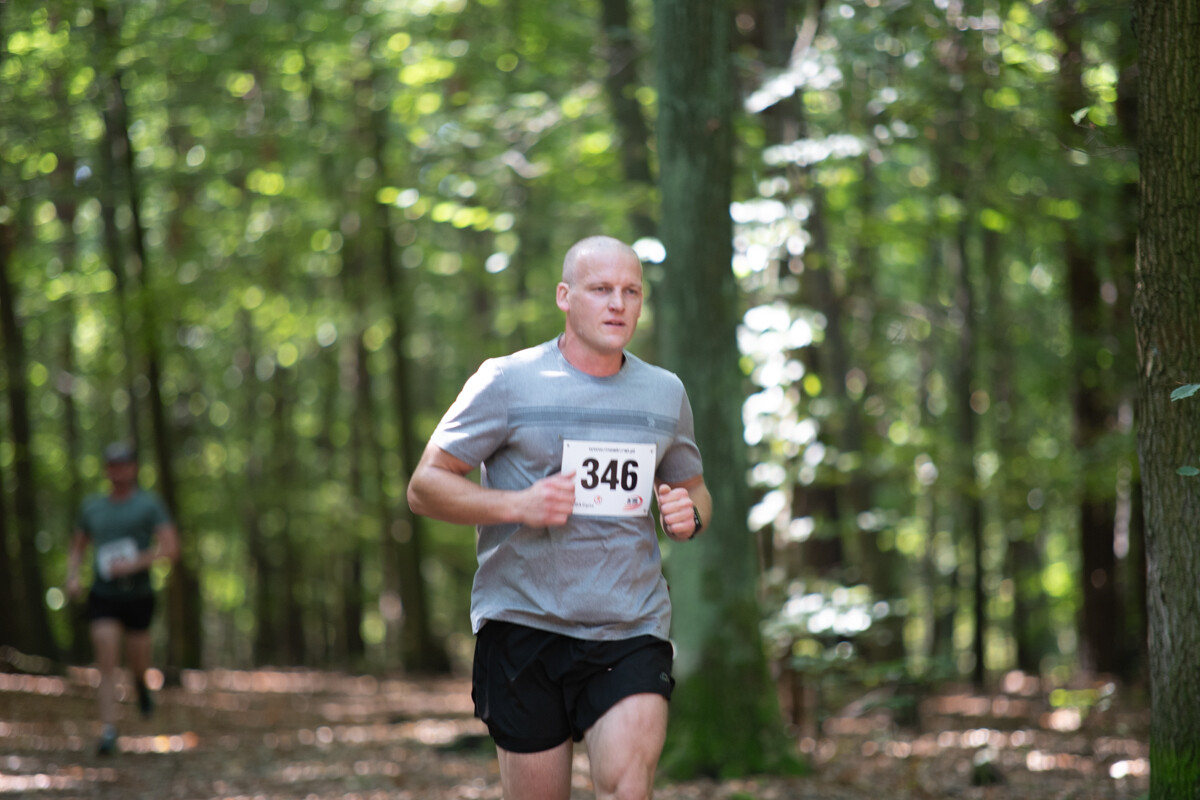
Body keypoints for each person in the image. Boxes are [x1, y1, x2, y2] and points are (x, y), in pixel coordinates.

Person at [407, 235, 712, 800]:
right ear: (565, 297)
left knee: (627, 789)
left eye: (631, 292)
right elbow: (425, 487)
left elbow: (692, 487)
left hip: (629, 628)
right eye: (601, 290)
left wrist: (688, 512)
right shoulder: (506, 381)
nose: (618, 304)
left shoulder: (663, 392)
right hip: (524, 627)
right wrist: (516, 506)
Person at [66, 441, 179, 756]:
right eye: (112, 464)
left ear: (134, 467)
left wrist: (136, 563)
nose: (118, 470)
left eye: (124, 464)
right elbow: (78, 546)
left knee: (138, 660)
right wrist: (72, 576)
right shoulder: (92, 507)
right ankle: (108, 730)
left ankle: (142, 685)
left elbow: (171, 548)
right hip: (103, 595)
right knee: (106, 660)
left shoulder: (149, 505)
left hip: (139, 596)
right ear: (106, 469)